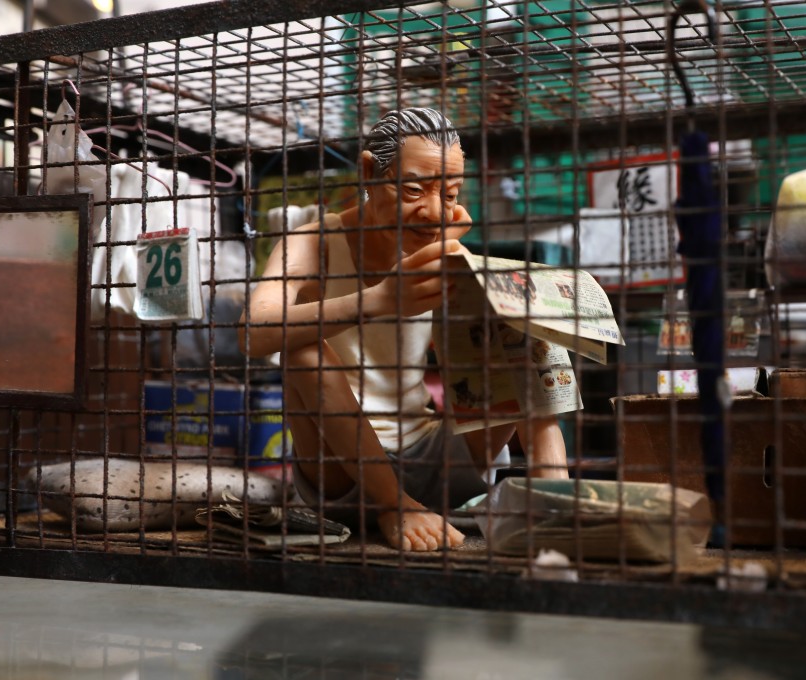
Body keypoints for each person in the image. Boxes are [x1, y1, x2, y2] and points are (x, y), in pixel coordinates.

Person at [239, 108, 568, 552]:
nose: (432, 211)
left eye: (448, 194)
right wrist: (377, 300)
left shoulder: (441, 240)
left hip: (439, 456)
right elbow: (251, 333)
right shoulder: (313, 242)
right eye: (413, 189)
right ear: (369, 173)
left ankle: (558, 506)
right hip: (343, 472)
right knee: (302, 349)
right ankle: (394, 505)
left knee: (518, 327)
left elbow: (465, 355)